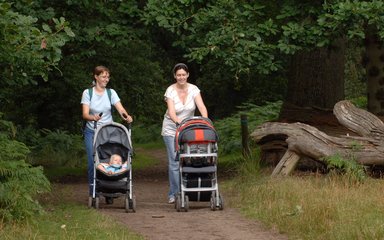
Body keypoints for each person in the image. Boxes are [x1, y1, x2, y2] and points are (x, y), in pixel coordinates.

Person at [81, 65, 133, 197]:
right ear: (96, 77)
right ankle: (93, 191)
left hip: (107, 132)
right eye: (103, 76)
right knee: (92, 161)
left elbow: (120, 109)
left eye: (107, 77)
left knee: (107, 159)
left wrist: (126, 117)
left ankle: (109, 188)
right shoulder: (88, 93)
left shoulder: (111, 93)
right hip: (92, 131)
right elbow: (85, 114)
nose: (106, 79)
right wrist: (93, 117)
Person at [161, 63, 208, 204]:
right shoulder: (170, 90)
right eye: (178, 75)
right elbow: (171, 112)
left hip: (189, 129)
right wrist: (178, 122)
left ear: (187, 75)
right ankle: (174, 193)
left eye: (183, 74)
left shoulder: (194, 89)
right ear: (175, 76)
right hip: (171, 129)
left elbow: (201, 107)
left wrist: (205, 122)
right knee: (175, 161)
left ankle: (189, 189)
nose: (181, 77)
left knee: (188, 158)